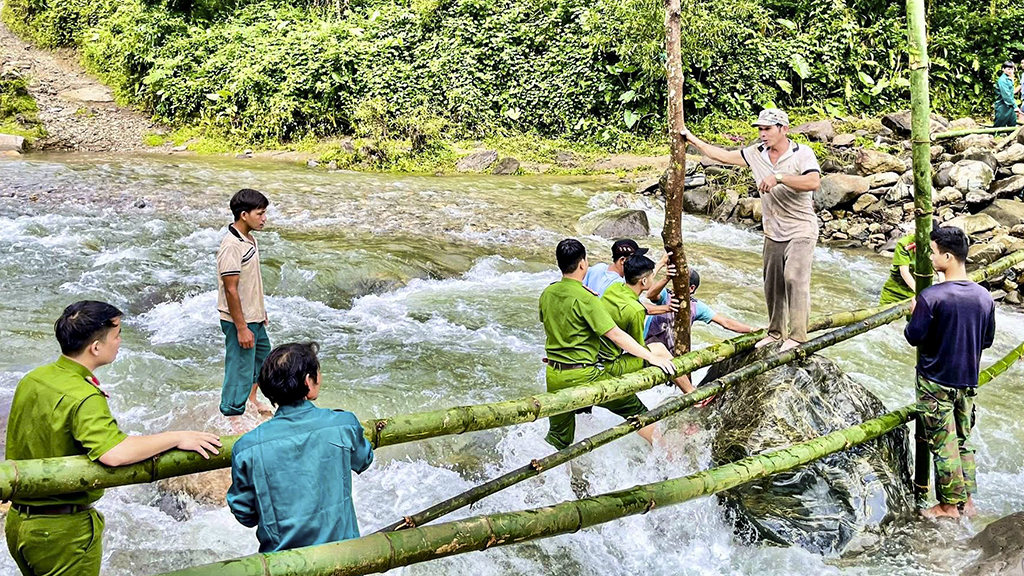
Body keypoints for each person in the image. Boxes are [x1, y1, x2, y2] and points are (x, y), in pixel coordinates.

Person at [5, 301, 222, 576]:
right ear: (95, 347)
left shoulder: (33, 379)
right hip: (61, 534)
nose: (119, 342)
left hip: (19, 524)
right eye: (116, 336)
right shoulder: (83, 396)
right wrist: (176, 437)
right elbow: (115, 452)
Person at [682, 109, 821, 352]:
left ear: (783, 129)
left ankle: (798, 336)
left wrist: (779, 177)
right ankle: (776, 332)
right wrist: (692, 139)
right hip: (773, 229)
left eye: (767, 129)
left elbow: (813, 182)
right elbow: (723, 156)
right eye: (760, 129)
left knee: (794, 277)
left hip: (802, 228)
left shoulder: (802, 154)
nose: (762, 134)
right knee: (772, 284)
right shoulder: (756, 153)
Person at [227, 342, 374, 551]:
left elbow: (245, 514)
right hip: (343, 558)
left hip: (281, 565)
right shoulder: (343, 424)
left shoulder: (246, 448)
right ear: (307, 381)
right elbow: (364, 459)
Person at [539, 239, 676, 449]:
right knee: (637, 411)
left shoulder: (547, 294)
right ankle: (669, 455)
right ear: (583, 263)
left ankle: (541, 477)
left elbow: (556, 327)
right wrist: (650, 357)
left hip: (554, 375)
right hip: (586, 376)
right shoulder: (587, 298)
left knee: (558, 439)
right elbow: (616, 335)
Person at [904, 226, 996, 520]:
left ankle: (946, 506)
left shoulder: (931, 297)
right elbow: (987, 340)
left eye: (932, 252)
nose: (930, 258)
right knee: (963, 440)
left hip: (936, 379)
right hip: (967, 380)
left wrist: (913, 311)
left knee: (943, 444)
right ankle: (967, 502)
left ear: (947, 256)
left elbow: (914, 336)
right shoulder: (984, 297)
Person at [599, 253, 694, 394]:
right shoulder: (635, 311)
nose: (652, 278)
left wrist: (666, 307)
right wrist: (656, 359)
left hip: (596, 357)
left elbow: (638, 302)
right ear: (643, 281)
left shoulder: (615, 287)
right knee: (659, 349)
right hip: (611, 365)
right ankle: (691, 392)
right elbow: (637, 347)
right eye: (651, 277)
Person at [217, 188, 274, 425]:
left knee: (263, 357)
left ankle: (250, 398)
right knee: (239, 367)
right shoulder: (232, 246)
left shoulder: (249, 238)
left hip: (254, 316)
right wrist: (241, 327)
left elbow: (251, 282)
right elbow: (230, 289)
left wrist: (261, 312)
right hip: (239, 319)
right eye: (260, 213)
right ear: (244, 215)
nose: (264, 218)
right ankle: (231, 416)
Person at [879, 233, 918, 305]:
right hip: (895, 290)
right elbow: (904, 271)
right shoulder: (905, 243)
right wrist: (920, 292)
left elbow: (941, 269)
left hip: (919, 290)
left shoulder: (936, 245)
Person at [994, 61, 1017, 128]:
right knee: (999, 124)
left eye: (1012, 69)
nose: (1010, 71)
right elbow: (1006, 95)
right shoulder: (1002, 80)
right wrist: (1015, 106)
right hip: (1003, 106)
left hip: (1010, 106)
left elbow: (1011, 93)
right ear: (1003, 69)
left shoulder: (1009, 78)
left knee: (1012, 123)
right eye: (1008, 69)